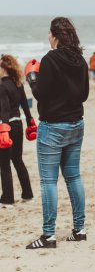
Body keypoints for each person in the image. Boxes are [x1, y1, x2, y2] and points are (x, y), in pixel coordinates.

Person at [25, 17, 89, 249]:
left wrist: (32, 78)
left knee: (49, 181)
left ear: (55, 35)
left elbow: (40, 93)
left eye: (49, 34)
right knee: (73, 177)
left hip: (53, 126)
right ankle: (79, 230)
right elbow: (83, 95)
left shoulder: (50, 59)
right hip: (75, 124)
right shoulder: (80, 60)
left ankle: (49, 235)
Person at [0, 55, 36, 208]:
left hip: (7, 127)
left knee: (4, 164)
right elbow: (25, 106)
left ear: (4, 69)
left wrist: (4, 128)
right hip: (18, 126)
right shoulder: (18, 84)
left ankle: (8, 199)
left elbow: (5, 109)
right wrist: (30, 122)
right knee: (18, 160)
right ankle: (28, 195)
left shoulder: (2, 86)